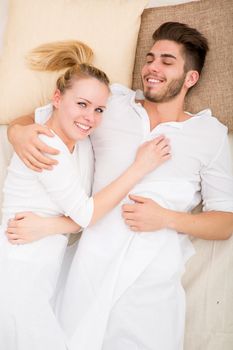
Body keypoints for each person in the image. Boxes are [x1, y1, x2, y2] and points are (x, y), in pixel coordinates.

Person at [7, 22, 233, 350]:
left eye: (167, 62)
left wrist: (168, 218)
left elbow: (225, 221)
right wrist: (17, 133)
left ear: (191, 78)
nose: (152, 68)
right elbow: (41, 118)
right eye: (150, 58)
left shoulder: (210, 135)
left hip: (152, 274)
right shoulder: (110, 105)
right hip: (90, 264)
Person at [0, 40, 171, 350]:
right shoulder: (46, 146)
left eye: (99, 109)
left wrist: (49, 225)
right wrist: (140, 167)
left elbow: (80, 219)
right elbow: (87, 214)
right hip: (17, 270)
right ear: (56, 99)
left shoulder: (80, 141)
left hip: (42, 272)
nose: (90, 117)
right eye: (81, 104)